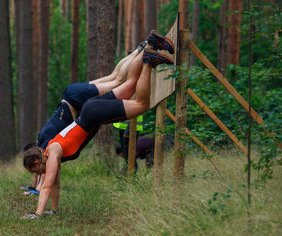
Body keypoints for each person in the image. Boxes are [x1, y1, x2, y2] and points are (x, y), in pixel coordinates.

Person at [22, 33, 174, 219]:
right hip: (90, 111)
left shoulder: (52, 152)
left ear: (37, 163)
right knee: (128, 85)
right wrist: (52, 210)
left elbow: (46, 186)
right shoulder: (52, 151)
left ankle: (149, 61)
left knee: (141, 103)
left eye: (35, 172)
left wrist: (37, 214)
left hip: (93, 114)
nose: (38, 175)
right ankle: (148, 48)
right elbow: (55, 184)